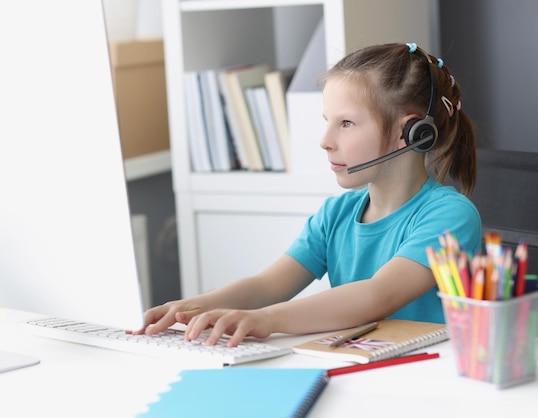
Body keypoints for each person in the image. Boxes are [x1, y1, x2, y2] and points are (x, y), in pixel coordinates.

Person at [136, 42, 482, 347]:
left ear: (410, 132)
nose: (325, 140)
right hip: (355, 369)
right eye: (327, 121)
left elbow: (378, 295)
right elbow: (268, 286)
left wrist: (267, 320)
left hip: (425, 380)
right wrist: (194, 307)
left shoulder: (450, 216)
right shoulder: (336, 214)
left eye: (346, 123)